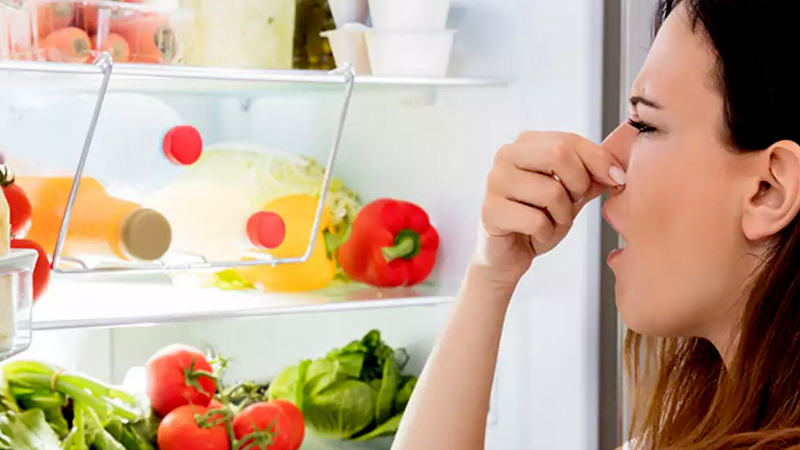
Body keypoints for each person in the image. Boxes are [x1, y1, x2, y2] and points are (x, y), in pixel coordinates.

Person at [390, 0, 800, 449]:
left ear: (769, 189)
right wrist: (491, 275)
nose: (606, 159)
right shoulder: (699, 422)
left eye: (645, 125)